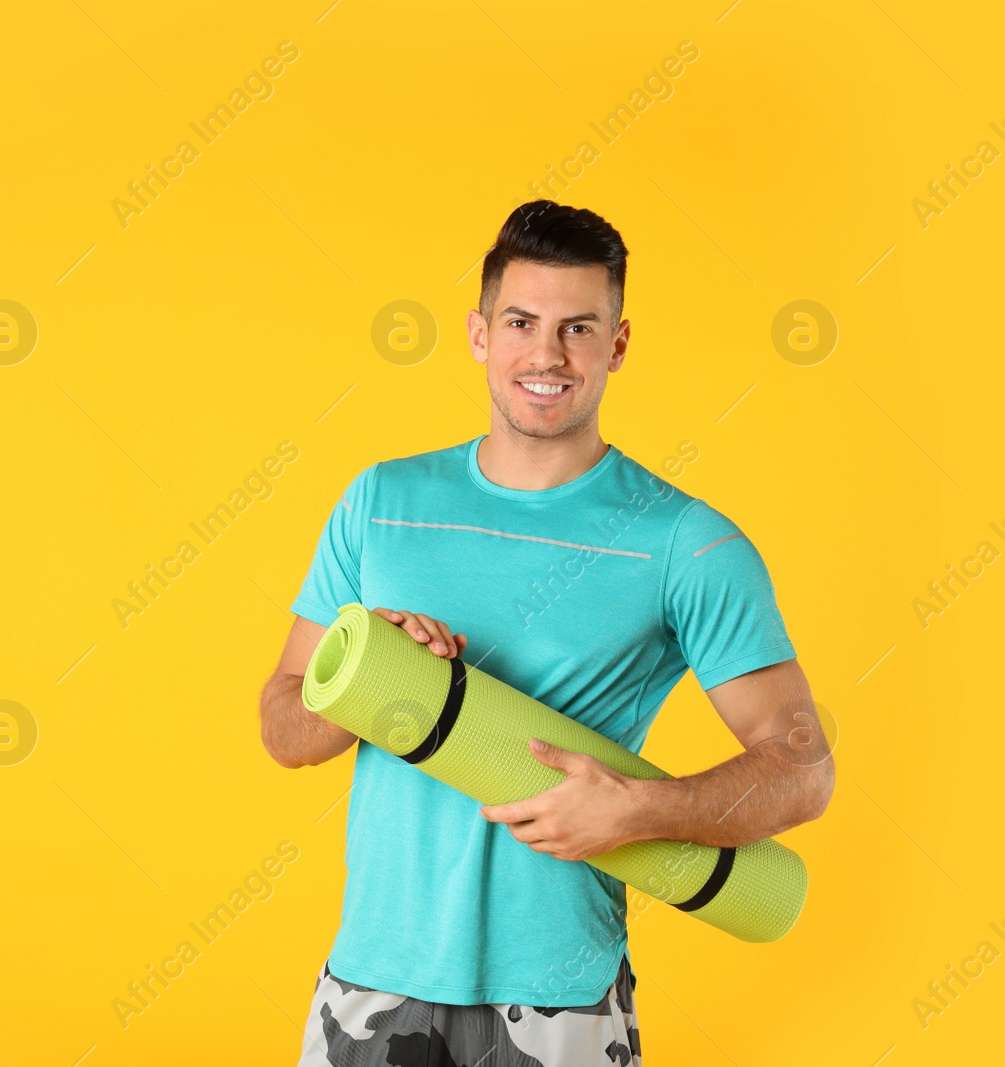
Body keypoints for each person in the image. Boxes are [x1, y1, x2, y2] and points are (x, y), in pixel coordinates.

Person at [260, 200, 835, 1066]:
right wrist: (371, 682)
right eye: (522, 322)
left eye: (578, 328)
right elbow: (282, 725)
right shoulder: (380, 503)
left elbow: (803, 766)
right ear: (480, 333)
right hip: (373, 980)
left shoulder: (685, 541)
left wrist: (641, 808)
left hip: (559, 997)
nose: (547, 355)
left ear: (618, 344)